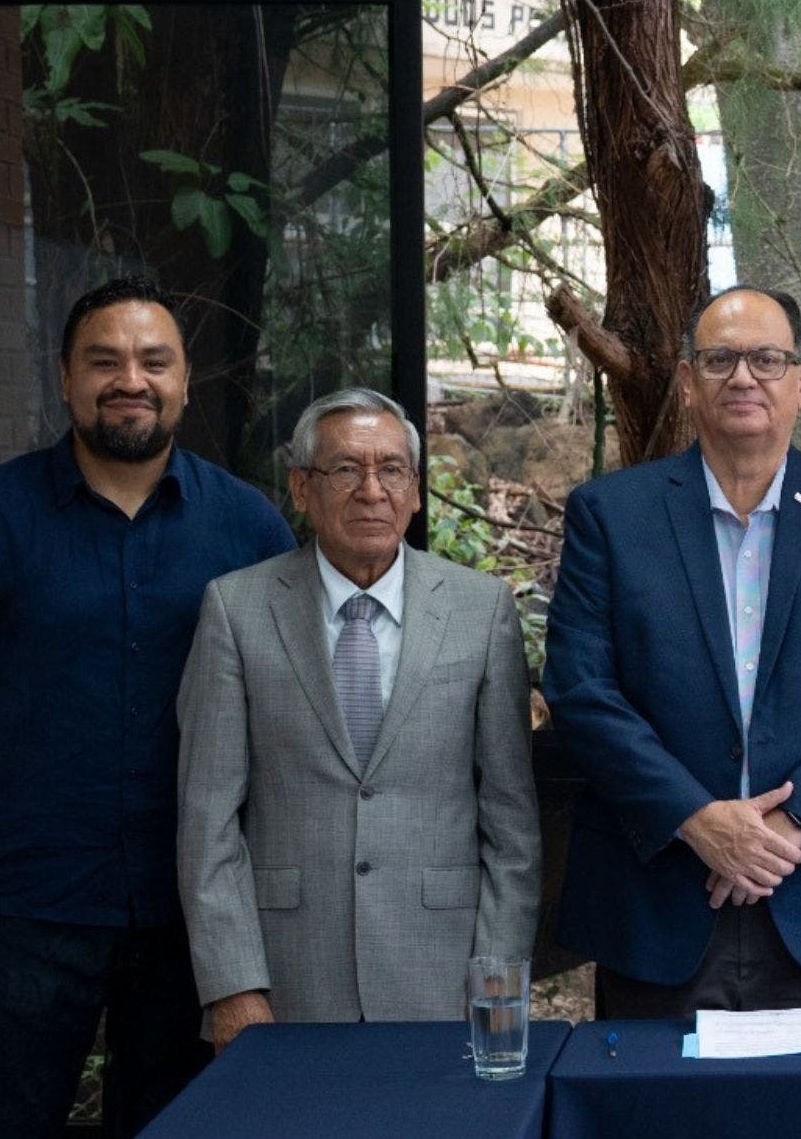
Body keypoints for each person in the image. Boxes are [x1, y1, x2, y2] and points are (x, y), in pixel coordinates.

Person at [0, 277, 297, 1138]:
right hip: (37, 898)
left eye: (154, 361)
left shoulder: (248, 526)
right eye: (104, 361)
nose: (130, 381)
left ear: (185, 380)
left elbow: (281, 701)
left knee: (174, 1129)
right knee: (13, 1125)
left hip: (192, 907)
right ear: (66, 377)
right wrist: (30, 764)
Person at [543, 285, 801, 1019]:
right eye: (720, 359)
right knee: (657, 1091)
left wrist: (792, 824)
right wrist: (697, 817)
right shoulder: (612, 515)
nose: (744, 377)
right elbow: (580, 688)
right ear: (687, 381)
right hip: (661, 893)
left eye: (767, 359)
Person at [176, 387, 540, 1041]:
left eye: (392, 470)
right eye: (346, 469)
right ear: (301, 488)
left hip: (442, 977)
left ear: (416, 491)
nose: (372, 490)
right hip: (288, 977)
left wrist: (498, 981)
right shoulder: (236, 610)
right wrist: (233, 984)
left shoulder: (481, 611)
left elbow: (510, 823)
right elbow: (209, 819)